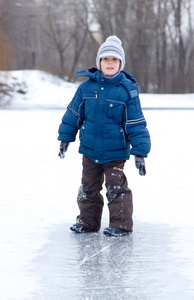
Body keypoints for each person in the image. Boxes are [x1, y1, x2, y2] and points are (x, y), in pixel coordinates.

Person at [58, 36, 151, 237]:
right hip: (90, 149)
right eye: (106, 59)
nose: (110, 63)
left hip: (115, 151)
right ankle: (88, 222)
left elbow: (136, 123)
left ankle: (121, 224)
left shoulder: (127, 92)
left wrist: (140, 152)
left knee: (115, 188)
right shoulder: (85, 88)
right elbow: (73, 114)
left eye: (114, 60)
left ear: (121, 64)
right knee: (88, 188)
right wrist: (65, 138)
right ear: (99, 62)